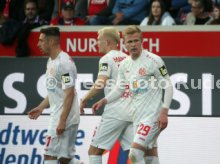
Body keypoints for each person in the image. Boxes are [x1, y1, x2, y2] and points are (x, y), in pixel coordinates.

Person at [92, 25, 173, 164]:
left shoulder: (154, 60)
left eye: (136, 41)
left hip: (152, 116)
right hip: (137, 118)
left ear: (142, 41)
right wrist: (104, 100)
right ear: (124, 44)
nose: (133, 44)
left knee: (135, 153)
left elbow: (168, 85)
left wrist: (164, 112)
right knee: (150, 156)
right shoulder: (125, 64)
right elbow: (120, 88)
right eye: (129, 42)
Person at [79, 27, 133, 164]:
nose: (97, 44)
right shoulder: (128, 58)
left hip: (114, 112)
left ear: (108, 42)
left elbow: (101, 82)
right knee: (134, 153)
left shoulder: (106, 59)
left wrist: (84, 99)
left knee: (94, 151)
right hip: (131, 111)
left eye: (99, 41)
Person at [28, 27, 81, 164]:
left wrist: (62, 120)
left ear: (51, 42)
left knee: (49, 156)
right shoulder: (51, 61)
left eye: (41, 41)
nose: (38, 44)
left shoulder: (63, 64)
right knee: (64, 159)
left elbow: (69, 93)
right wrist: (40, 108)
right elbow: (56, 91)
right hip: (62, 115)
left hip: (63, 118)